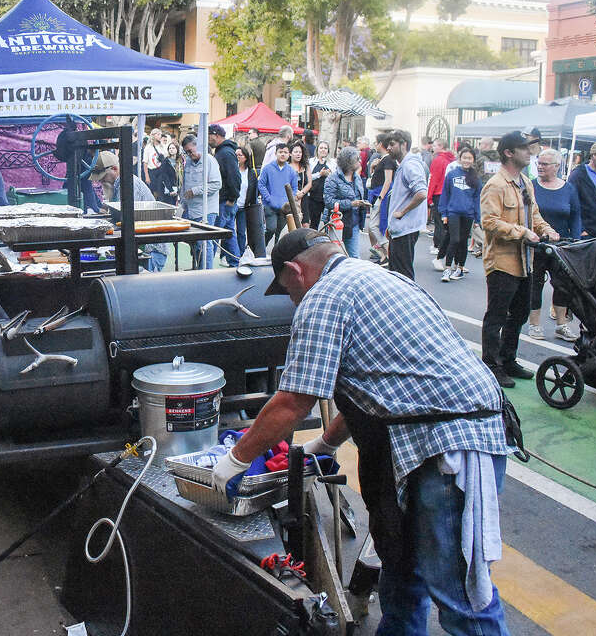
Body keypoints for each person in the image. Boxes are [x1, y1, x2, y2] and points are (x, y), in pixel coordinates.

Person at [212, 229, 513, 636]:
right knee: (402, 575)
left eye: (287, 291)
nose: (292, 300)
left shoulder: (323, 297)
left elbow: (292, 402)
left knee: (461, 597)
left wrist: (235, 460)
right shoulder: (385, 277)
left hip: (450, 447)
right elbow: (377, 386)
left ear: (295, 271)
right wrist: (324, 442)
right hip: (431, 440)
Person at [480, 131, 559, 388]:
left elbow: (533, 213)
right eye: (524, 148)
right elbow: (489, 223)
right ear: (509, 153)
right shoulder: (496, 185)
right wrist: (521, 232)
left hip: (526, 261)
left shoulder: (526, 182)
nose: (530, 153)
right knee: (497, 316)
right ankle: (492, 365)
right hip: (502, 262)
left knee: (521, 313)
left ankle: (508, 359)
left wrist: (546, 229)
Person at [526, 149, 582, 341]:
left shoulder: (569, 189)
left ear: (557, 166)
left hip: (562, 246)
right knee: (535, 284)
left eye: (545, 164)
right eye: (539, 163)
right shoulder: (531, 186)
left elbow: (575, 216)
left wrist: (575, 241)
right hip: (537, 244)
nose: (540, 167)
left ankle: (561, 324)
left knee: (563, 285)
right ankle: (534, 324)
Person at [89, 151, 168, 272]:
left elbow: (128, 220)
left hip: (151, 250)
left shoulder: (129, 184)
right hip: (142, 247)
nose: (101, 181)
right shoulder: (118, 185)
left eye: (103, 177)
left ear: (115, 169)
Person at [383, 130, 428, 280]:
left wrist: (402, 212)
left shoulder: (410, 165)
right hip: (400, 229)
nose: (388, 148)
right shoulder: (405, 164)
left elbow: (421, 193)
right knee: (397, 274)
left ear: (404, 145)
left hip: (405, 230)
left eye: (392, 144)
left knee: (404, 276)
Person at [437, 146, 482, 282]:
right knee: (454, 239)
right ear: (460, 158)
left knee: (463, 242)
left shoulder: (476, 178)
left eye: (470, 158)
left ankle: (460, 268)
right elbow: (445, 194)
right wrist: (443, 212)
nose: (467, 161)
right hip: (453, 212)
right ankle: (447, 269)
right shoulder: (451, 174)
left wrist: (477, 218)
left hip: (468, 214)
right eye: (464, 158)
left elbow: (477, 199)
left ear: (473, 160)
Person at [180, 134, 222, 269]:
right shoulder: (188, 162)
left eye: (190, 151)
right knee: (197, 244)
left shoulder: (209, 160)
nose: (189, 154)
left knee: (205, 244)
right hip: (192, 209)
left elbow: (217, 184)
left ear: (197, 146)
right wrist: (182, 203)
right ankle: (199, 268)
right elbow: (185, 184)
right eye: (186, 152)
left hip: (207, 209)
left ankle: (206, 271)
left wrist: (196, 191)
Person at [322, 145, 368, 258]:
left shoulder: (357, 178)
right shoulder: (332, 178)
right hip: (337, 221)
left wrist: (363, 203)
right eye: (357, 159)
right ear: (349, 162)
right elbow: (328, 202)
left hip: (354, 222)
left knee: (354, 257)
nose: (360, 161)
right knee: (335, 255)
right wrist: (351, 204)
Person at [209, 125, 242, 266]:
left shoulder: (225, 153)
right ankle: (235, 262)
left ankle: (207, 265)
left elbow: (234, 177)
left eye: (209, 135)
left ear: (215, 135)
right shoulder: (224, 152)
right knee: (229, 233)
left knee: (216, 234)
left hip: (225, 201)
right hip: (226, 200)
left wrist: (232, 198)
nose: (208, 139)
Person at [258, 142, 297, 249]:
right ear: (276, 153)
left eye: (285, 152)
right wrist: (268, 198)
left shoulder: (291, 171)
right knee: (271, 228)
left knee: (280, 232)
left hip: (285, 207)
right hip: (270, 205)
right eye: (280, 152)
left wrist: (290, 201)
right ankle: (260, 248)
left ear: (289, 154)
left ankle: (277, 252)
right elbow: (261, 184)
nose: (283, 154)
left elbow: (294, 188)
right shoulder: (268, 168)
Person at [366, 138, 395, 265]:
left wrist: (380, 197)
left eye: (376, 142)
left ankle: (388, 250)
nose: (374, 145)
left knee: (373, 225)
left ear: (381, 144)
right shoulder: (383, 159)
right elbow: (375, 178)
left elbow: (388, 180)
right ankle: (384, 256)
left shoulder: (388, 159)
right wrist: (372, 167)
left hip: (381, 196)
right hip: (377, 194)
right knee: (374, 225)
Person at [428, 140, 456, 267]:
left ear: (441, 146)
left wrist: (429, 197)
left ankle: (438, 245)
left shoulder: (438, 160)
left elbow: (434, 179)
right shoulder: (452, 160)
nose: (432, 148)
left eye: (434, 145)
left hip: (438, 193)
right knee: (445, 223)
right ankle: (440, 245)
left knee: (439, 221)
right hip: (450, 193)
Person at [234, 145, 264, 260]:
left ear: (246, 157)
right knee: (229, 232)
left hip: (244, 206)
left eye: (240, 155)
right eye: (236, 155)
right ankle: (226, 254)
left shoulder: (251, 172)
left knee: (241, 232)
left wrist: (252, 203)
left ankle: (240, 255)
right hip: (231, 205)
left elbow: (254, 190)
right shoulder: (233, 169)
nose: (237, 157)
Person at [307, 141, 333, 230]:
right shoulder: (310, 162)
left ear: (328, 151)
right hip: (314, 197)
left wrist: (329, 174)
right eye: (321, 148)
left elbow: (335, 178)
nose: (323, 150)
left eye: (325, 148)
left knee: (328, 222)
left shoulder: (332, 163)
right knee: (314, 223)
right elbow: (307, 177)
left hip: (328, 197)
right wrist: (320, 174)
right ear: (317, 149)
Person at [289, 141, 312, 226]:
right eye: (295, 152)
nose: (298, 154)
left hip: (304, 197)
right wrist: (294, 193)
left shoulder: (305, 166)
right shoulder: (287, 167)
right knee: (293, 225)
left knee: (305, 225)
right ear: (290, 154)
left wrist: (302, 193)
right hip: (291, 199)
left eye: (300, 152)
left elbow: (309, 183)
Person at [142, 128, 167, 198]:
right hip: (152, 172)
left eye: (160, 134)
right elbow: (145, 163)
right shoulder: (148, 147)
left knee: (161, 191)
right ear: (153, 135)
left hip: (161, 171)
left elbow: (166, 158)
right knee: (152, 191)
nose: (160, 136)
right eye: (158, 134)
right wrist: (147, 176)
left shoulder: (163, 146)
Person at [159, 140, 181, 205]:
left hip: (179, 188)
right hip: (169, 188)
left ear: (177, 149)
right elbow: (164, 177)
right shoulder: (166, 161)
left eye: (173, 148)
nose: (171, 150)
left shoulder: (180, 161)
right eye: (170, 148)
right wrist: (171, 189)